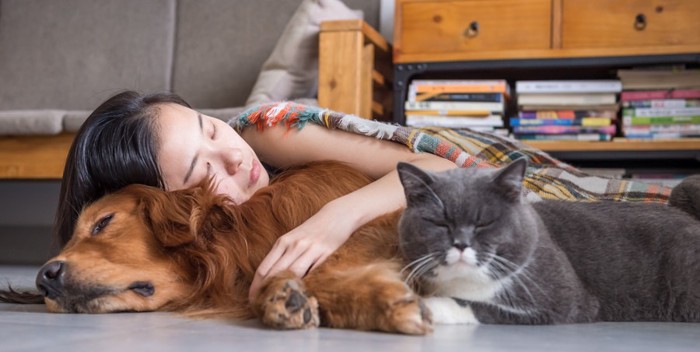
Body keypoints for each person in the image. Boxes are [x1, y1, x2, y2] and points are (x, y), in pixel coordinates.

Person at [55, 91, 458, 299]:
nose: (232, 155)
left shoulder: (266, 134)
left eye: (210, 128)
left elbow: (448, 168)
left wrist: (337, 217)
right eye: (202, 170)